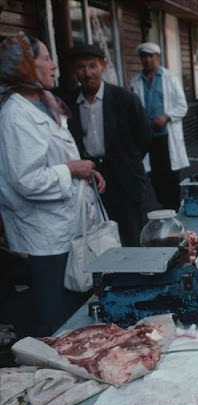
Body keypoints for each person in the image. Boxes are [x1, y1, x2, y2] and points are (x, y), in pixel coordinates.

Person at [0, 33, 106, 336]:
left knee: (80, 306)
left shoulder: (46, 103)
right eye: (45, 58)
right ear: (22, 66)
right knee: (58, 317)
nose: (53, 65)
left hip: (71, 226)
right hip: (47, 236)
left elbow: (58, 157)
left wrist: (84, 171)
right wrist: (72, 170)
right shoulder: (15, 114)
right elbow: (27, 180)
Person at [64, 43, 151, 246]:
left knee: (132, 234)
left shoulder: (125, 99)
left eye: (92, 66)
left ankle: (138, 275)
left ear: (103, 65)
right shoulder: (68, 102)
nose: (87, 73)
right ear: (74, 70)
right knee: (96, 236)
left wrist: (128, 160)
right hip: (90, 175)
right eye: (81, 67)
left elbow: (144, 137)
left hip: (124, 176)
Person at [130, 42, 188, 211]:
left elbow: (182, 106)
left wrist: (166, 116)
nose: (147, 60)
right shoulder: (135, 81)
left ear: (158, 57)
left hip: (166, 135)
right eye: (143, 57)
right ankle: (164, 206)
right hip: (147, 135)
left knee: (170, 174)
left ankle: (174, 208)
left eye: (151, 56)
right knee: (154, 176)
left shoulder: (170, 78)